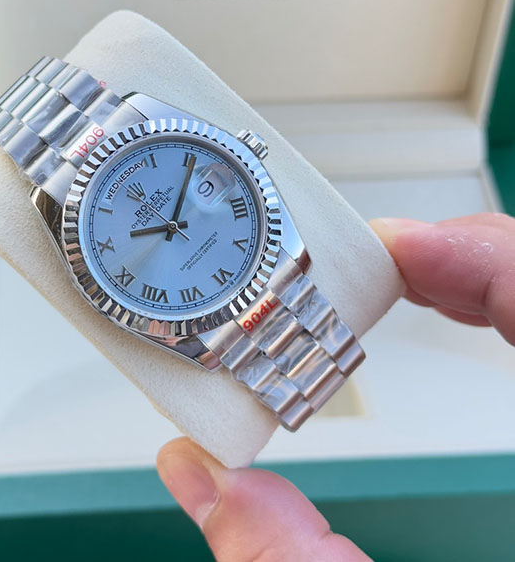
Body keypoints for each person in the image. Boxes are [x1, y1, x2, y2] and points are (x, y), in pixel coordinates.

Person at [156, 213, 515, 561]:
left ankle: (316, 370)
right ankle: (292, 392)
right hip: (225, 322)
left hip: (265, 278)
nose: (171, 226)